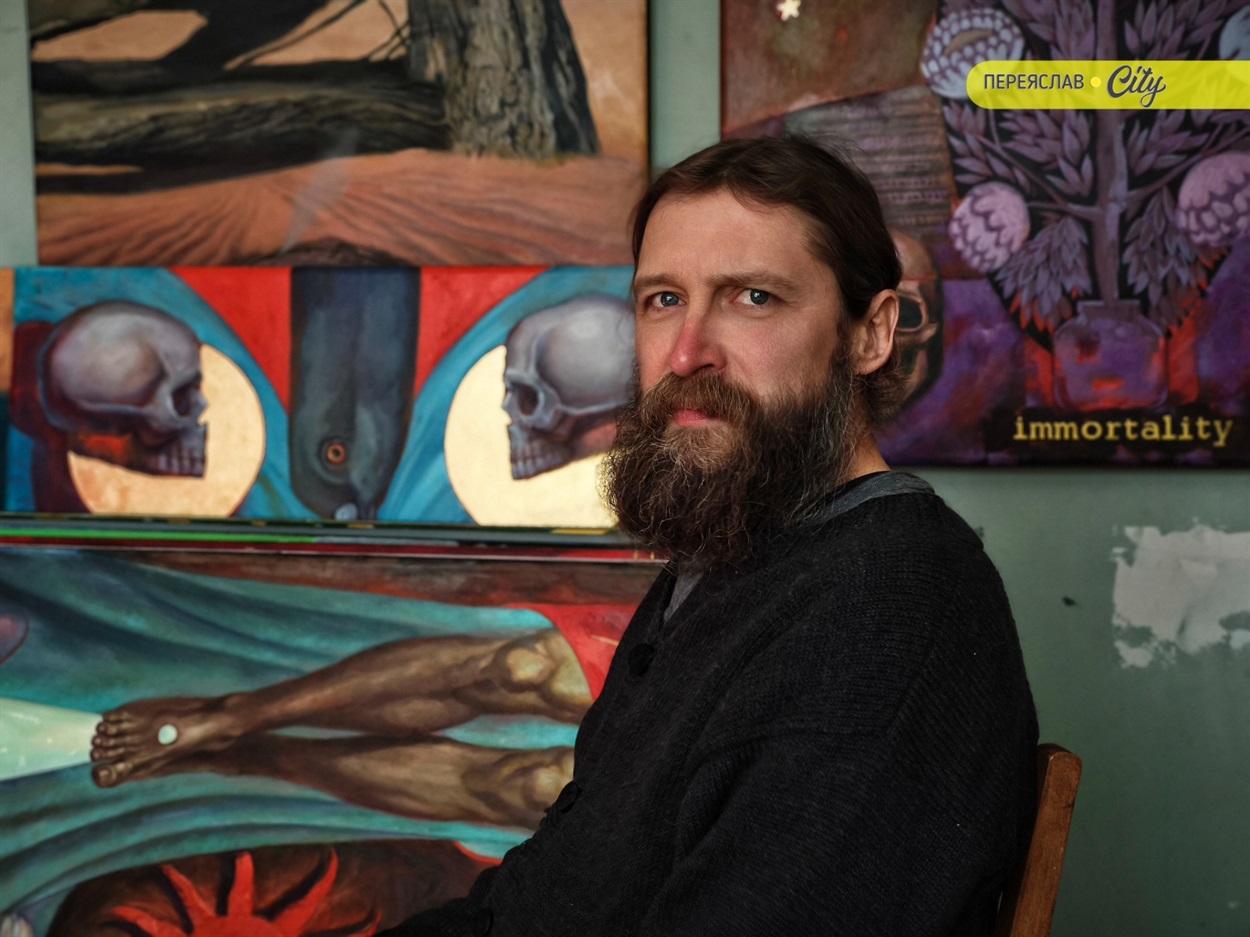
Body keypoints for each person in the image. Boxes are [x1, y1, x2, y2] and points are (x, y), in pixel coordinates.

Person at [381, 135, 1038, 936]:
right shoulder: (738, 562)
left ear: (870, 334)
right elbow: (543, 896)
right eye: (663, 299)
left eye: (752, 297)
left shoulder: (891, 603)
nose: (687, 352)